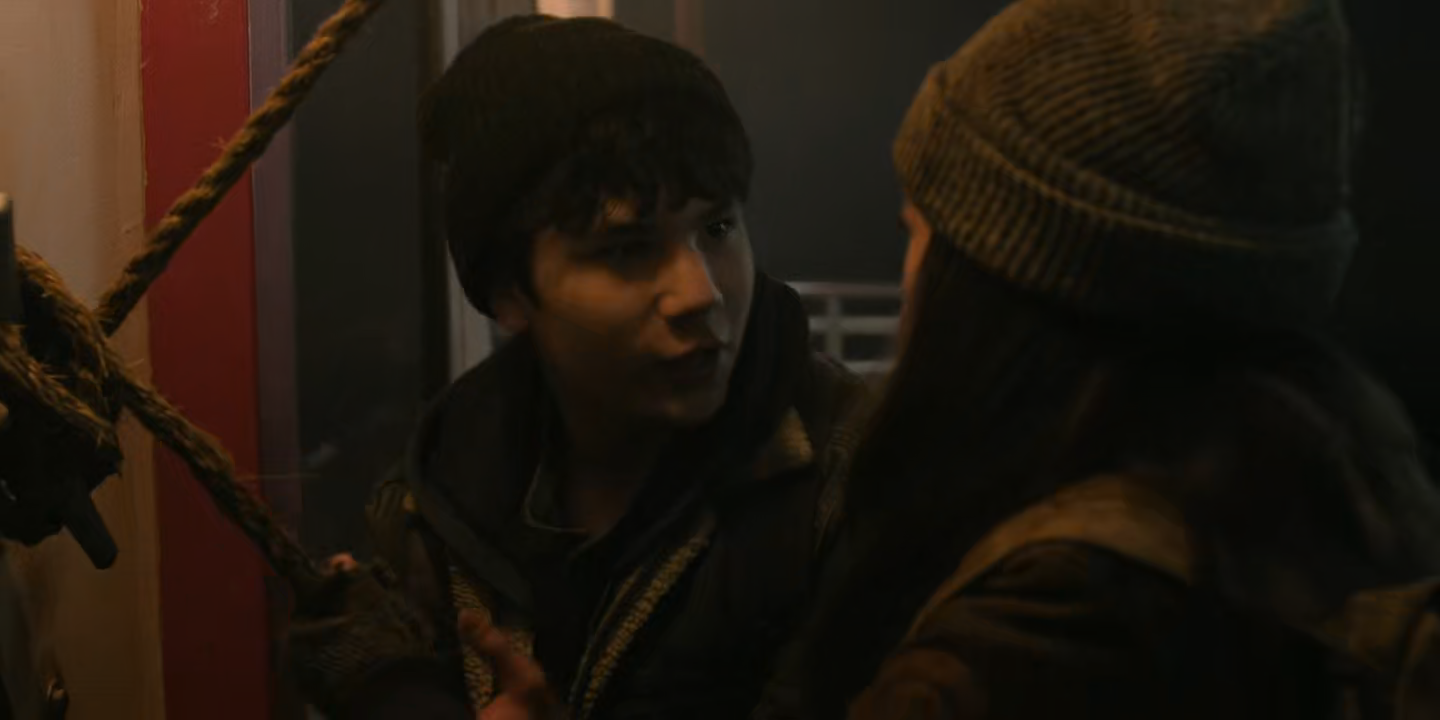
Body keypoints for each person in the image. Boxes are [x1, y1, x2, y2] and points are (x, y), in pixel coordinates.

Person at [783, 0, 1440, 717]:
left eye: (918, 231)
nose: (909, 276)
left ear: (1007, 279)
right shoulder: (1345, 498)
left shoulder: (1042, 634)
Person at [286, 14, 868, 720]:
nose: (700, 294)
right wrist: (391, 686)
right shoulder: (433, 503)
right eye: (626, 249)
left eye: (717, 227)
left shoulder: (858, 473)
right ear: (509, 291)